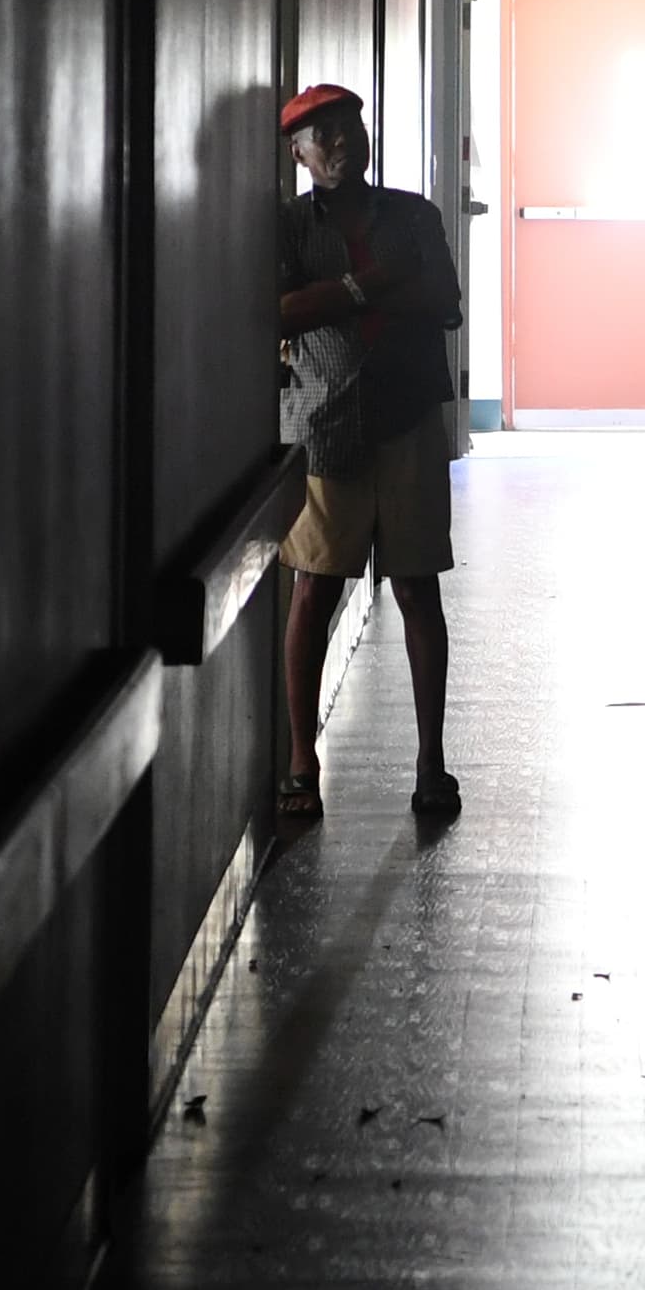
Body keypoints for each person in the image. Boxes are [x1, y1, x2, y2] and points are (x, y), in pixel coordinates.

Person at [276, 83, 464, 822]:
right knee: (315, 590)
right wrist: (379, 283)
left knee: (418, 589)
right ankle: (300, 760)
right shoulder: (290, 226)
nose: (341, 143)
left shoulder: (414, 213)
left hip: (409, 416)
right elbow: (277, 310)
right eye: (322, 135)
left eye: (349, 127)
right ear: (298, 154)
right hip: (326, 425)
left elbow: (445, 301)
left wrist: (335, 296)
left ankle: (431, 762)